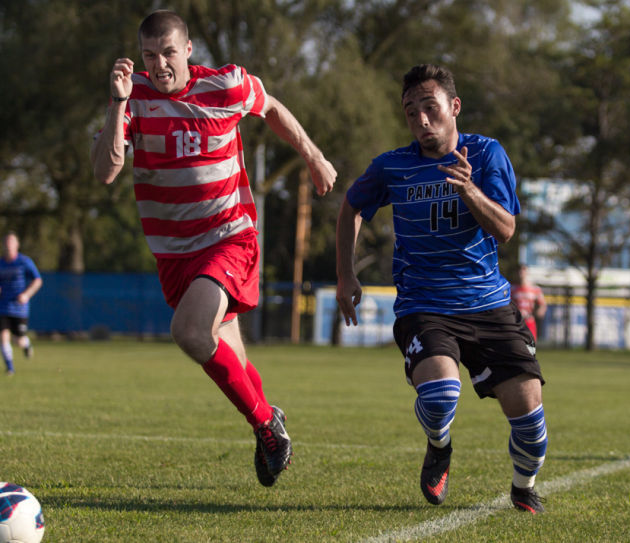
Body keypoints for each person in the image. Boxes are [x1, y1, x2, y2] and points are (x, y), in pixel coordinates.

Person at [91, 10, 336, 487]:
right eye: (149, 56)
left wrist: (314, 155)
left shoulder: (224, 87)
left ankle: (267, 427)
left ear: (187, 50)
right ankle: (271, 417)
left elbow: (272, 108)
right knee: (231, 357)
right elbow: (105, 171)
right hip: (173, 254)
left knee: (188, 330)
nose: (159, 64)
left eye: (167, 52)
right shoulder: (133, 99)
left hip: (229, 237)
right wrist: (119, 106)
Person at [336, 64, 547, 513]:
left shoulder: (487, 154)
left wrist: (468, 189)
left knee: (530, 421)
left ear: (453, 107)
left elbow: (506, 229)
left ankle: (523, 487)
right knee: (439, 395)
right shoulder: (393, 166)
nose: (421, 120)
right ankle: (439, 446)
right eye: (411, 112)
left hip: (489, 306)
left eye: (429, 108)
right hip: (424, 306)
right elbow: (351, 206)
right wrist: (345, 274)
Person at [0, 232, 43, 376]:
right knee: (3, 336)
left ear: (17, 244)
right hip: (3, 306)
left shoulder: (24, 262)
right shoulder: (1, 263)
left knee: (18, 340)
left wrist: (26, 294)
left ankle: (26, 344)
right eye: (6, 242)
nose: (8, 245)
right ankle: (10, 368)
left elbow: (37, 280)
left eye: (11, 242)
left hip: (19, 308)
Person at [511, 264, 548, 341]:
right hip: (516, 321)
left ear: (527, 272)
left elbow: (543, 304)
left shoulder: (535, 289)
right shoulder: (512, 288)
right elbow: (507, 304)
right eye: (519, 270)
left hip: (529, 320)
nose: (521, 272)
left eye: (523, 270)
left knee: (531, 344)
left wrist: (540, 311)